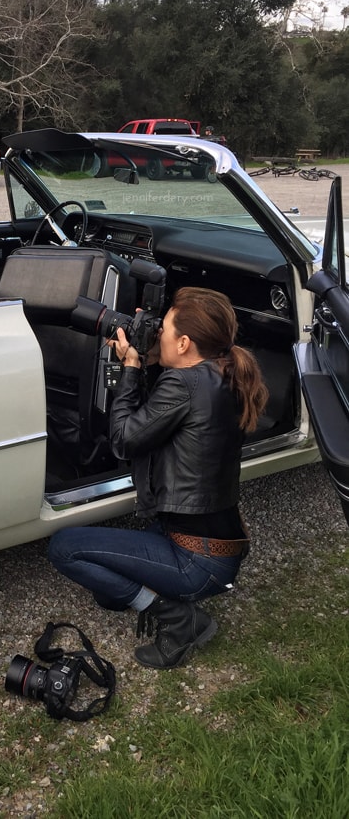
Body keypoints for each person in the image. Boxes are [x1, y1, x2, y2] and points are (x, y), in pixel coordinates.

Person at [48, 287, 268, 670]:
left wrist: (130, 369)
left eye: (162, 330)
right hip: (214, 546)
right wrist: (150, 358)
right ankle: (162, 593)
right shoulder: (221, 373)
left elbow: (123, 440)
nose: (157, 335)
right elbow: (166, 419)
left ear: (184, 343)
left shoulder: (182, 385)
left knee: (65, 548)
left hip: (196, 561)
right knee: (109, 595)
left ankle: (182, 620)